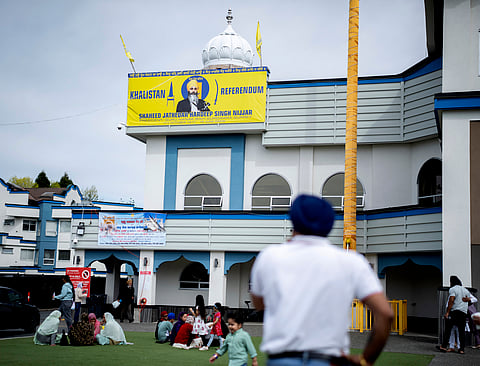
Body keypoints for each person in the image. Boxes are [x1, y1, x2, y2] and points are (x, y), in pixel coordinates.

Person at [250, 194, 393, 366]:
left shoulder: (269, 257)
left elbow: (259, 304)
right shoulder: (351, 261)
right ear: (329, 223)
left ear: (293, 220)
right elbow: (385, 313)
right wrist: (366, 360)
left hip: (282, 359)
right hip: (328, 360)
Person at [439, 275, 473, 354]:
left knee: (448, 329)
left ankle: (444, 346)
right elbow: (469, 301)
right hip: (463, 313)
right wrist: (467, 300)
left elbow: (451, 300)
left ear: (452, 282)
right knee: (461, 332)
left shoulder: (453, 289)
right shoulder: (466, 290)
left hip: (454, 311)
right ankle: (461, 349)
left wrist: (447, 312)